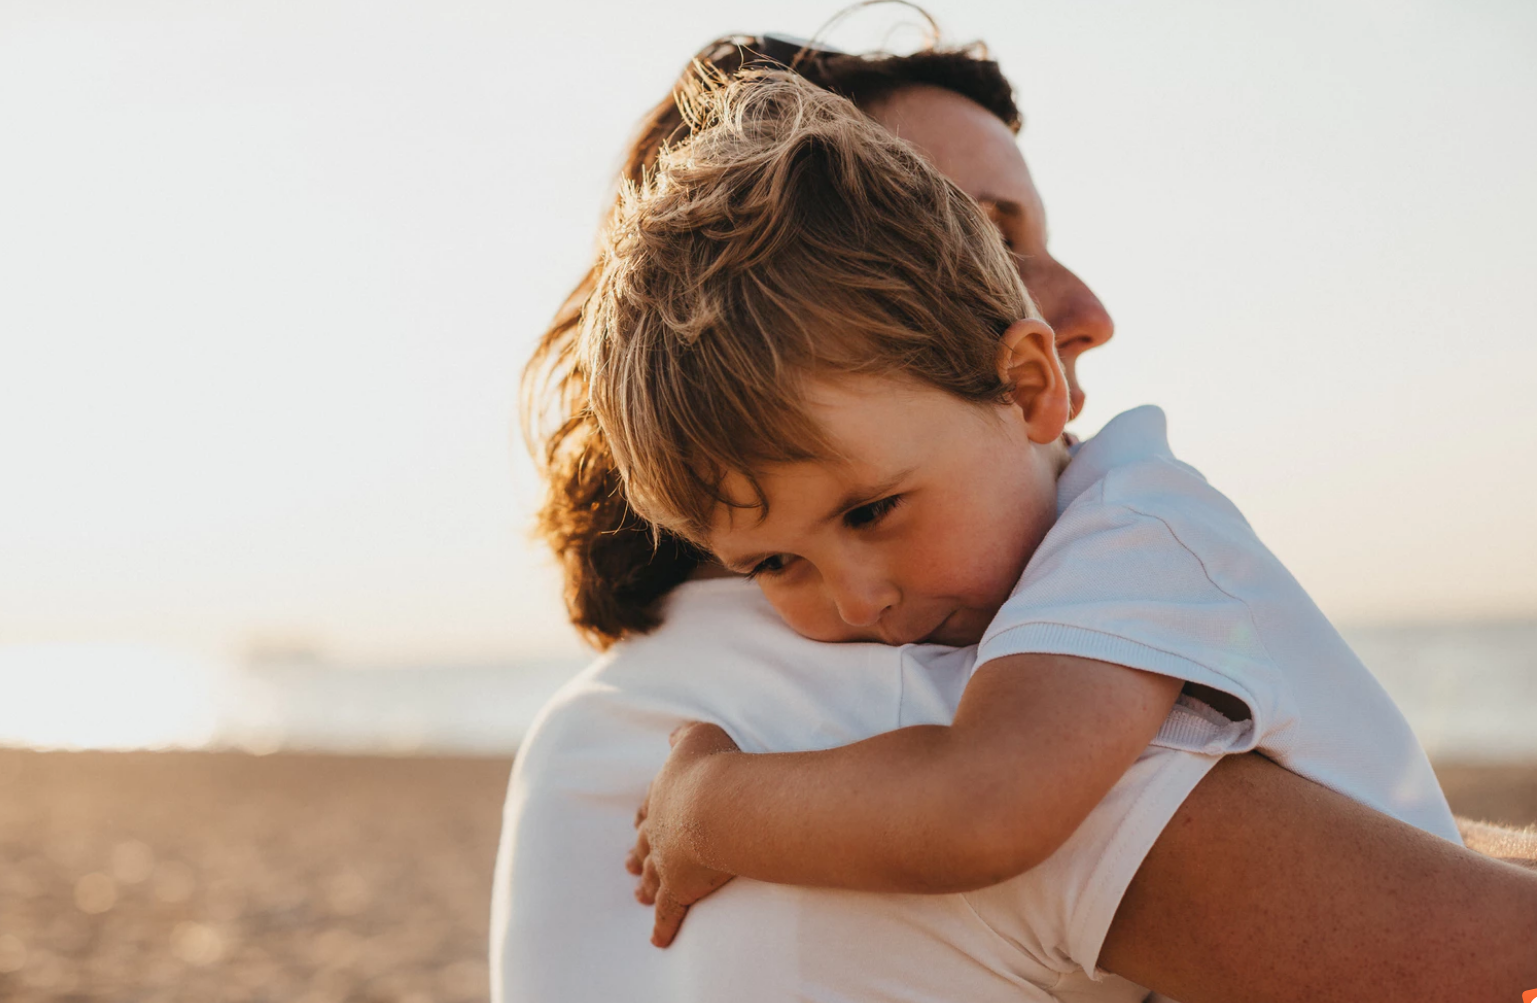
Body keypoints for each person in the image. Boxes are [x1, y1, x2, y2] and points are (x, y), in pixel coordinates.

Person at [494, 34, 1537, 1003]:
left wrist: (708, 804)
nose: (1086, 307)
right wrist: (707, 804)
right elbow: (1486, 943)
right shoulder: (920, 694)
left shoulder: (600, 723)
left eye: (871, 510)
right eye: (977, 231)